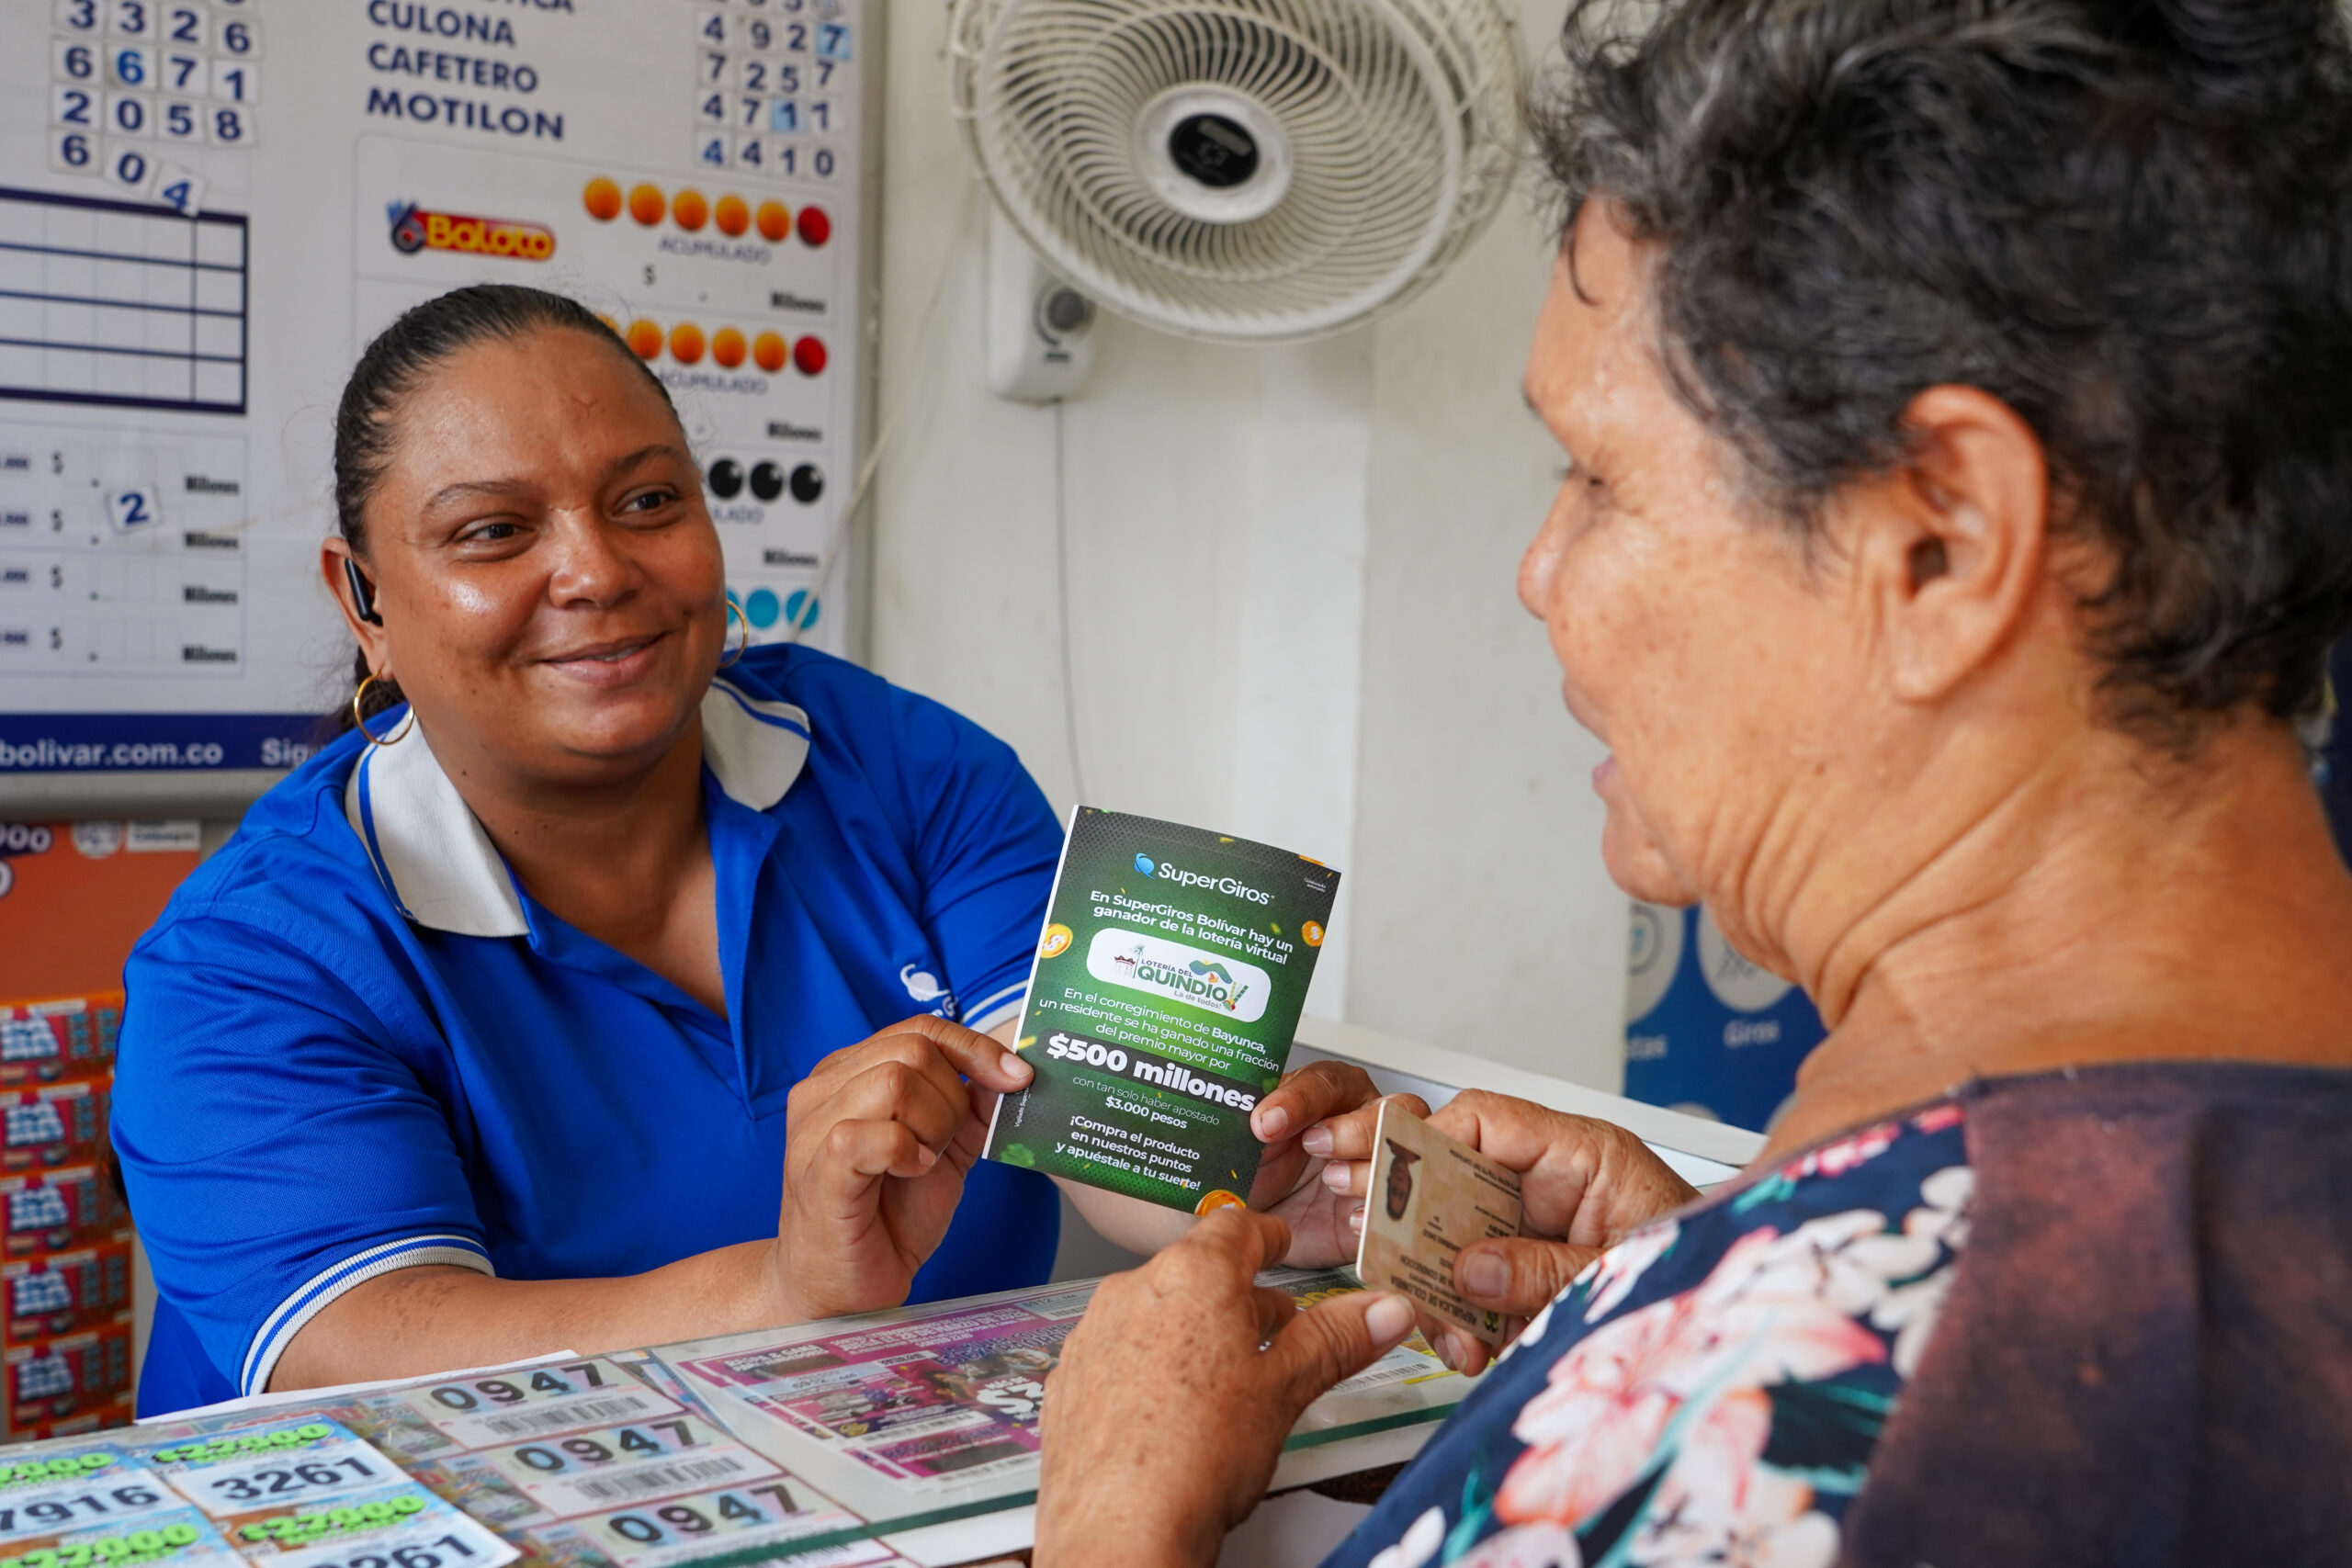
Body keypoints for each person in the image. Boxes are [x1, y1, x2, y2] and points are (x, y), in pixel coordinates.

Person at [1034, 0, 2352, 1562]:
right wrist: (1685, 1277)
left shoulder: (1806, 1407)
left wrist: (1117, 1516)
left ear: (1943, 546)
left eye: (1597, 477)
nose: (1538, 573)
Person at [111, 285, 1373, 1415]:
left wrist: (1263, 1191)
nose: (596, 571)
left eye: (647, 502)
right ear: (364, 599)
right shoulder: (256, 958)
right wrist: (785, 1292)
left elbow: (1108, 1125)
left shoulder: (907, 771)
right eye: (494, 531)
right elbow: (372, 1343)